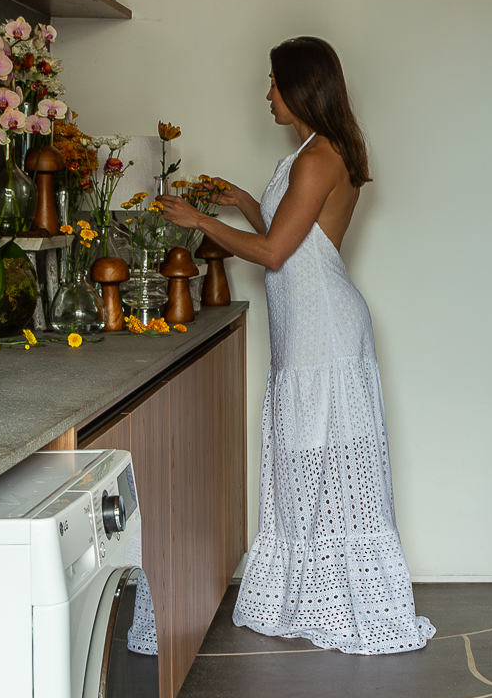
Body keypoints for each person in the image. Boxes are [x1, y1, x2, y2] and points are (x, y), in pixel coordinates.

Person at [158, 37, 433, 656]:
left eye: (274, 84)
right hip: (309, 331)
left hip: (323, 334)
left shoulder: (317, 158)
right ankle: (316, 596)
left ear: (301, 87)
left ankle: (339, 601)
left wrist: (200, 222)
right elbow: (289, 239)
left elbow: (276, 254)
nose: (267, 95)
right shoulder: (315, 151)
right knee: (308, 465)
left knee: (322, 465)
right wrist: (244, 203)